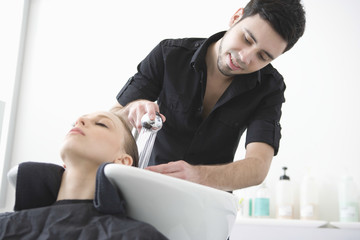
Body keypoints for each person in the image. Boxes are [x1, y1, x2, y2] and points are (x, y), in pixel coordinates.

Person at [111, 0, 306, 191]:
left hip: (209, 202)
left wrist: (198, 176)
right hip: (148, 187)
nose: (245, 58)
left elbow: (257, 167)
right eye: (246, 39)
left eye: (262, 57)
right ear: (236, 17)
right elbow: (112, 119)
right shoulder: (169, 55)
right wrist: (131, 110)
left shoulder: (270, 87)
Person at [0, 111, 168, 240]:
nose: (80, 120)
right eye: (75, 122)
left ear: (123, 161)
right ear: (64, 164)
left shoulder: (137, 236)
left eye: (101, 124)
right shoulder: (5, 225)